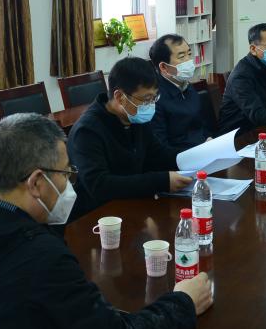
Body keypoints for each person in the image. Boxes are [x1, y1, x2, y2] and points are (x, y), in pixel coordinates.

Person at [0, 113, 213, 329]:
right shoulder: (35, 255)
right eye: (66, 174)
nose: (71, 184)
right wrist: (183, 302)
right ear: (36, 183)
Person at [67, 57, 191, 218]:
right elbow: (99, 185)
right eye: (146, 99)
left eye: (154, 98)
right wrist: (161, 181)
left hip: (132, 205)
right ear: (120, 97)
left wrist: (193, 156)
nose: (150, 105)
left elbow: (157, 154)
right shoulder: (87, 131)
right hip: (98, 216)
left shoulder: (135, 117)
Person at [147, 34, 211, 150]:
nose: (189, 61)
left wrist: (209, 139)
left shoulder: (186, 85)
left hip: (204, 149)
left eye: (189, 54)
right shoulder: (154, 98)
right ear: (164, 67)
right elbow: (161, 147)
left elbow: (202, 124)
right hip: (181, 157)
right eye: (181, 57)